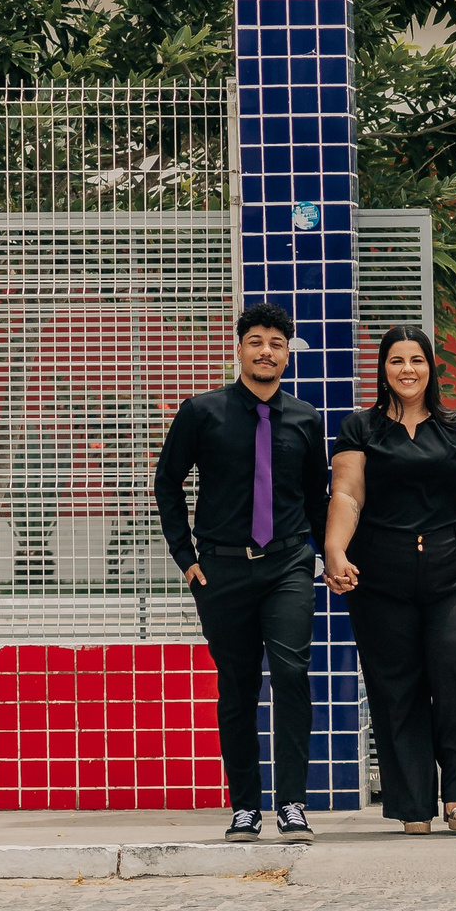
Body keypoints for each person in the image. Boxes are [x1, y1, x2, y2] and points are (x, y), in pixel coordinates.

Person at [322, 324, 456, 835]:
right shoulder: (360, 428)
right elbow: (348, 494)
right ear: (383, 369)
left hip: (454, 568)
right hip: (381, 573)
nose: (407, 370)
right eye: (396, 361)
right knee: (397, 689)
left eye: (416, 360)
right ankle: (412, 802)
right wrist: (333, 548)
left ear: (430, 367)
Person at [153, 300, 329, 842]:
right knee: (237, 686)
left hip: (288, 567)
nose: (266, 351)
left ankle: (293, 803)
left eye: (277, 344)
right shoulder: (201, 412)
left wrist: (325, 555)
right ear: (240, 348)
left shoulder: (304, 418)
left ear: (287, 355)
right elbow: (167, 485)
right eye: (256, 341)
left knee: (293, 676)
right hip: (222, 571)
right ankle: (246, 807)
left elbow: (316, 499)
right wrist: (187, 560)